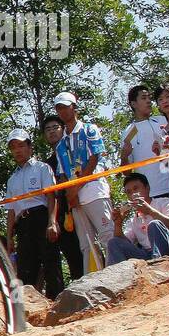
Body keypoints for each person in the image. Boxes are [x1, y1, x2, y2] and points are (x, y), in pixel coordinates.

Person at [52, 91, 113, 273]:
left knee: (107, 235)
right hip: (75, 199)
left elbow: (94, 159)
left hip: (95, 191)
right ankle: (93, 282)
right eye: (59, 108)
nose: (62, 111)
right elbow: (62, 174)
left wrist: (75, 189)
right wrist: (69, 194)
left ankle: (117, 274)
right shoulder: (61, 144)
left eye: (65, 106)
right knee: (86, 244)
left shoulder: (89, 129)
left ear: (74, 107)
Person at [3, 129, 62, 299]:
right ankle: (28, 308)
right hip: (22, 223)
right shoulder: (12, 179)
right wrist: (9, 238)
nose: (17, 150)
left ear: (30, 147)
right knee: (25, 267)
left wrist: (52, 222)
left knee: (50, 261)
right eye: (13, 147)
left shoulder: (42, 168)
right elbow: (11, 210)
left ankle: (57, 302)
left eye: (21, 145)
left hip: (41, 216)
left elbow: (51, 197)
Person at [41, 114, 84, 286]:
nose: (51, 132)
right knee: (71, 252)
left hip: (81, 203)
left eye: (55, 128)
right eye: (47, 129)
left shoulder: (75, 151)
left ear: (63, 129)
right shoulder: (47, 165)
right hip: (62, 214)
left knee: (88, 245)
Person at [106, 172, 169, 265]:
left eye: (136, 189)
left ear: (147, 188)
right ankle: (119, 276)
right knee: (113, 242)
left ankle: (157, 263)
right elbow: (123, 242)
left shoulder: (163, 202)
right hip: (146, 255)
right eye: (129, 192)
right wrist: (118, 224)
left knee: (154, 224)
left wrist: (150, 211)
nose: (133, 194)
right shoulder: (133, 219)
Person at [118, 85, 169, 200]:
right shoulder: (129, 132)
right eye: (143, 98)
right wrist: (124, 157)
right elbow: (127, 172)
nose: (148, 101)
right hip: (151, 192)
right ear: (133, 104)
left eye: (149, 98)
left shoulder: (162, 120)